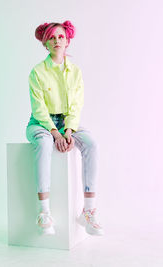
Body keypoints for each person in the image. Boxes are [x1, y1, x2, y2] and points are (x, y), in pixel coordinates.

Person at [26, 20, 104, 236]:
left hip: (68, 124)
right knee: (43, 143)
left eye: (60, 36)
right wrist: (54, 133)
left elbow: (76, 105)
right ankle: (44, 212)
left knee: (91, 144)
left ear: (67, 41)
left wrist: (68, 131)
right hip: (41, 124)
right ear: (45, 43)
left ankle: (88, 212)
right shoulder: (37, 72)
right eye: (51, 37)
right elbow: (39, 108)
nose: (56, 40)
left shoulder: (76, 72)